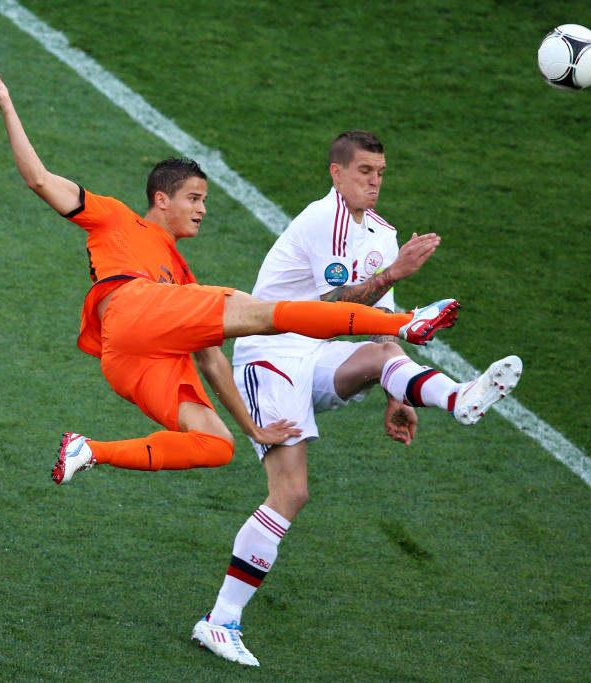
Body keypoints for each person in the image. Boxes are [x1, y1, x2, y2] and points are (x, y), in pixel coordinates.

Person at [0, 69, 461, 483]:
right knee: (266, 313)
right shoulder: (116, 218)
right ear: (161, 199)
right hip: (130, 307)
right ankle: (405, 324)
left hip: (128, 358)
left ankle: (89, 449)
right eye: (194, 198)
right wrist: (6, 103)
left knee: (216, 445)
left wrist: (252, 429)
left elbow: (212, 362)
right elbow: (40, 179)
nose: (202, 209)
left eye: (204, 200)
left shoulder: (182, 279)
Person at [191, 131, 522, 667]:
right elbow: (331, 305)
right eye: (364, 171)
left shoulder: (382, 234)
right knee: (291, 492)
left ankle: (458, 399)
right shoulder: (324, 221)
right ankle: (220, 621)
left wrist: (395, 389)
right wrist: (394, 273)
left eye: (380, 173)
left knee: (378, 358)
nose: (374, 182)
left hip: (311, 357)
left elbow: (377, 325)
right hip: (269, 356)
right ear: (336, 174)